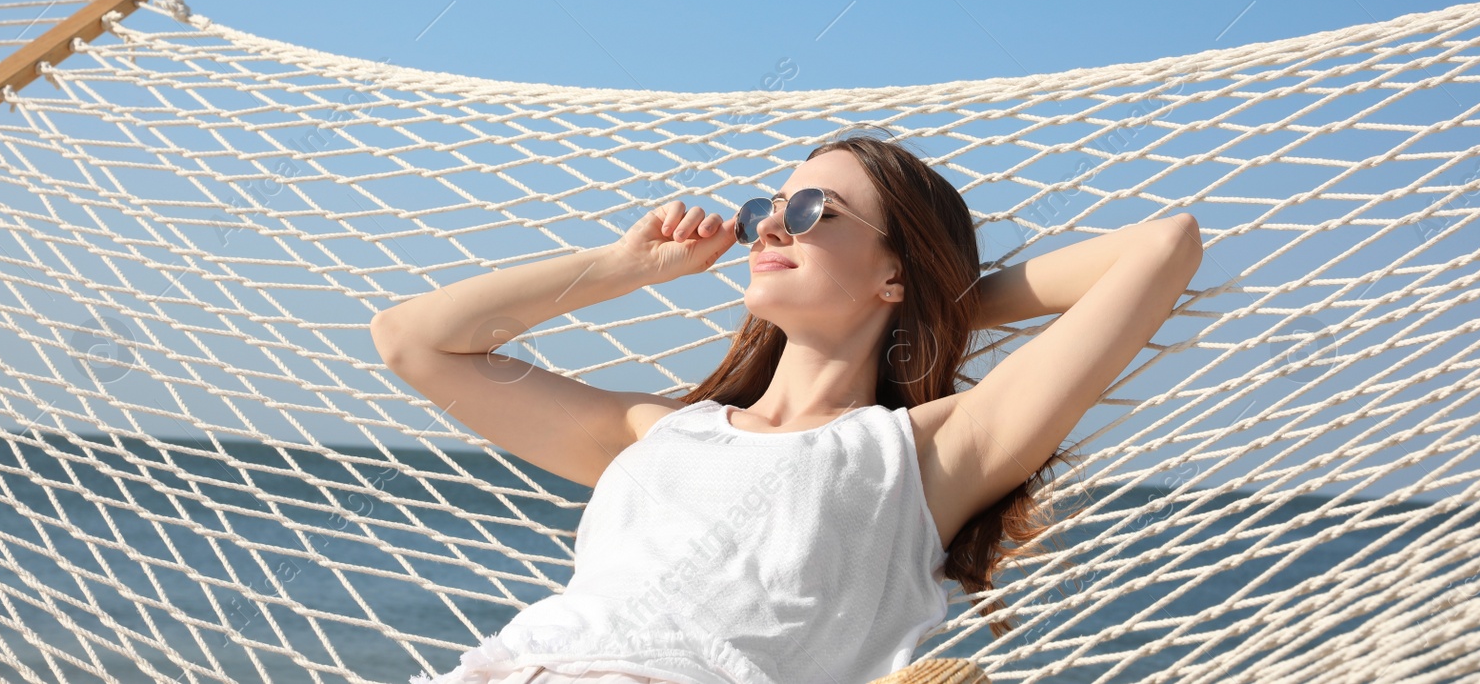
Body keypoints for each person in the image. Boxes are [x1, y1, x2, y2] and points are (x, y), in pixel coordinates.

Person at [371, 131, 1203, 684]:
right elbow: (412, 340)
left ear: (894, 270)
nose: (771, 225)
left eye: (811, 212)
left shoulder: (921, 456)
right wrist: (626, 265)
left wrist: (939, 303)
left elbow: (1162, 246)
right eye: (765, 210)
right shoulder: (651, 433)